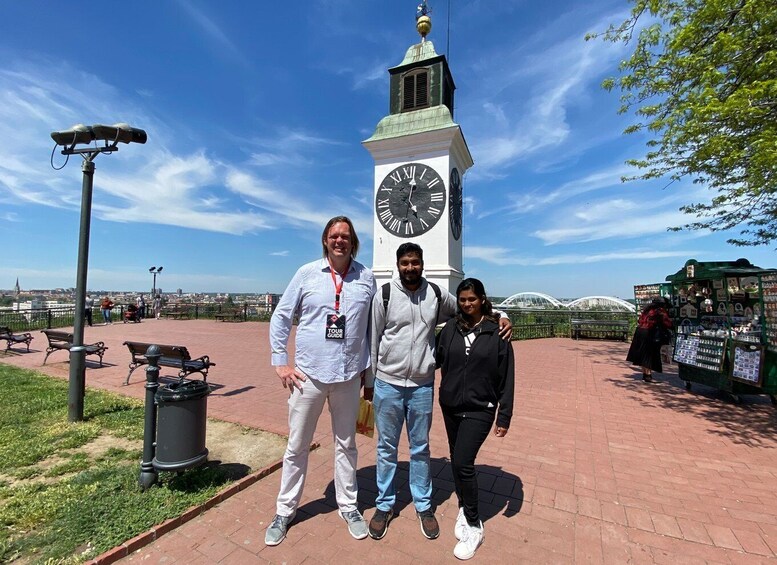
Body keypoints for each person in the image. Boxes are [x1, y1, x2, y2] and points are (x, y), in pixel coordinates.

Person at [366, 243, 512, 541]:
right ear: (398, 264)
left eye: (415, 262)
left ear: (423, 264)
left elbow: (469, 305)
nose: (410, 268)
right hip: (388, 383)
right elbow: (373, 339)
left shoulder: (435, 294)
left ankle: (423, 504)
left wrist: (504, 314)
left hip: (421, 384)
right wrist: (370, 380)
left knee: (420, 448)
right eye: (405, 263)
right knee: (386, 448)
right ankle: (384, 504)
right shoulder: (384, 294)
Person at [265, 216, 376, 546]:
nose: (339, 240)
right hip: (308, 376)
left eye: (345, 236)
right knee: (297, 445)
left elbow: (372, 330)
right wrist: (280, 362)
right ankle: (285, 511)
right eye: (333, 236)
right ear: (325, 241)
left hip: (348, 378)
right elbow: (282, 316)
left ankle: (349, 506)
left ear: (353, 241)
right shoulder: (306, 273)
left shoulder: (366, 278)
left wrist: (368, 378)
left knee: (347, 445)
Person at [435, 278, 515, 560]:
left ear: (482, 298)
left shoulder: (498, 333)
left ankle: (473, 522)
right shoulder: (450, 330)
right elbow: (436, 358)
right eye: (463, 299)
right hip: (451, 405)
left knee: (462, 462)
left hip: (481, 408)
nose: (467, 304)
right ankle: (463, 505)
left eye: (472, 299)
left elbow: (507, 377)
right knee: (456, 458)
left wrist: (504, 415)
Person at [626, 298, 673, 382]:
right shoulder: (660, 311)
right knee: (649, 354)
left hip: (640, 331)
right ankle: (648, 375)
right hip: (649, 332)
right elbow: (667, 323)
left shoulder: (647, 310)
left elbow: (639, 320)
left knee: (643, 353)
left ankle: (645, 374)